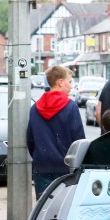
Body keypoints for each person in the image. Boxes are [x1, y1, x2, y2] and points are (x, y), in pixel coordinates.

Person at [26, 65, 85, 199]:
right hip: (66, 168)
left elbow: (30, 139)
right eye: (69, 82)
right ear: (60, 82)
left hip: (42, 166)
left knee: (43, 208)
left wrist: (38, 156)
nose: (71, 86)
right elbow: (79, 140)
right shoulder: (70, 107)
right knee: (64, 209)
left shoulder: (35, 108)